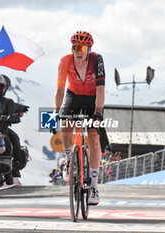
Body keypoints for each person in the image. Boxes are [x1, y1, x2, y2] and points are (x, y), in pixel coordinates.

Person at [53, 31, 105, 205]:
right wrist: (56, 110)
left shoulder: (97, 60)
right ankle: (69, 160)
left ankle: (94, 186)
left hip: (92, 98)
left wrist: (98, 112)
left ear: (89, 49)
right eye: (76, 47)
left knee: (94, 138)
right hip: (73, 95)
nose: (79, 51)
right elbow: (60, 89)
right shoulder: (65, 61)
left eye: (82, 48)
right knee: (65, 124)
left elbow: (100, 89)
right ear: (72, 48)